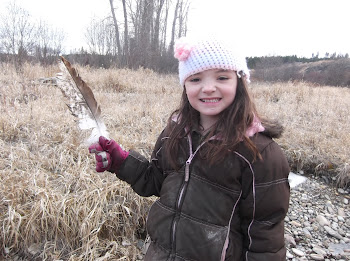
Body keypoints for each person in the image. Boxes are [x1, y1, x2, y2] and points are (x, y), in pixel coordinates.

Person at [89, 36, 290, 261]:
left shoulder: (259, 154)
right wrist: (122, 162)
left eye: (222, 77)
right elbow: (155, 181)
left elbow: (265, 235)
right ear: (185, 85)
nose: (208, 88)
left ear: (239, 81)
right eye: (195, 79)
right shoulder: (174, 133)